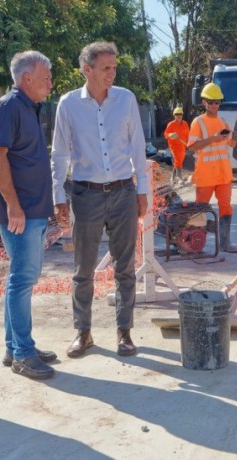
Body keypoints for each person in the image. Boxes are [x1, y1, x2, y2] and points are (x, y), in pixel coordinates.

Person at [51, 41, 148, 358]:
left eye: (114, 67)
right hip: (85, 195)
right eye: (106, 67)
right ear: (86, 69)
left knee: (125, 268)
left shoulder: (126, 99)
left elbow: (137, 147)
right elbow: (60, 153)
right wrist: (58, 196)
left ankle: (125, 333)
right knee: (83, 270)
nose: (112, 73)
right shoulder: (68, 104)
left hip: (123, 192)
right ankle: (83, 333)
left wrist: (142, 189)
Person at [0, 50, 57, 379]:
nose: (50, 83)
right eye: (45, 77)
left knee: (20, 279)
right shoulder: (10, 106)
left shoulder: (29, 108)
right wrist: (13, 204)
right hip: (20, 213)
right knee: (22, 280)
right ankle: (23, 354)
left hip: (32, 210)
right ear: (26, 77)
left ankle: (13, 346)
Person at [186, 82, 237, 253]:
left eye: (217, 102)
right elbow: (191, 147)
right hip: (206, 175)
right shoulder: (198, 122)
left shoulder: (223, 121)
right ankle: (195, 243)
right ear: (204, 103)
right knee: (200, 210)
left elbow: (232, 143)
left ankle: (225, 243)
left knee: (226, 207)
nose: (214, 105)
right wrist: (213, 138)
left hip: (223, 175)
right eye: (211, 102)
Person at [164, 106, 189, 185]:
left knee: (178, 162)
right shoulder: (171, 124)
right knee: (178, 160)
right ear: (174, 115)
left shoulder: (185, 124)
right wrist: (170, 135)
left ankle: (172, 177)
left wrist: (189, 143)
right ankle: (180, 178)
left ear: (182, 115)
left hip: (183, 145)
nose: (178, 115)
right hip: (173, 145)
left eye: (180, 114)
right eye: (177, 114)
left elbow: (188, 134)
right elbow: (166, 134)